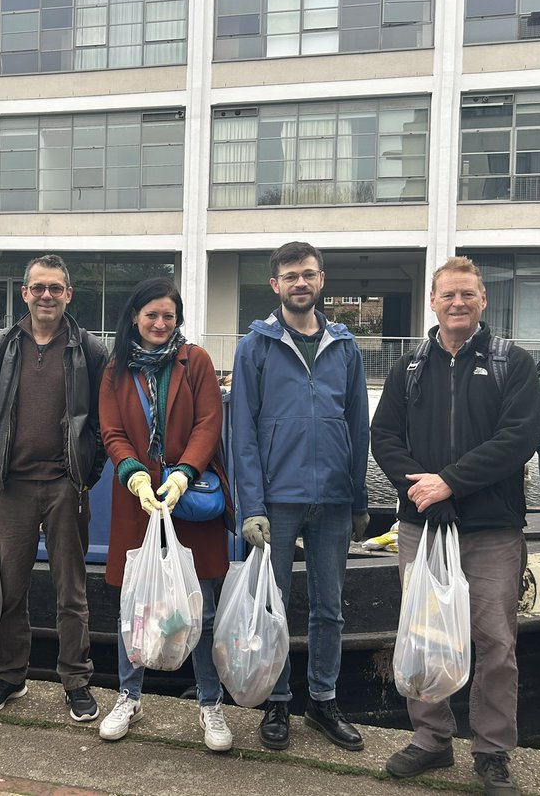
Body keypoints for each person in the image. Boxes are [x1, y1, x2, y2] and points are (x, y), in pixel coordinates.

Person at [371, 256, 540, 796]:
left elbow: (517, 440)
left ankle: (491, 752)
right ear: (433, 302)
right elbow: (385, 437)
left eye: (468, 294)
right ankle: (431, 738)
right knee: (422, 633)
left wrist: (450, 484)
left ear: (483, 299)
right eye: (449, 295)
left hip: (491, 528)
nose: (458, 303)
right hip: (423, 526)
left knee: (495, 642)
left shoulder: (512, 362)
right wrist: (421, 491)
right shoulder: (410, 366)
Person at [230, 241, 370, 753]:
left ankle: (323, 700)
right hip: (278, 500)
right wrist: (252, 507)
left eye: (308, 274)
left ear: (322, 280)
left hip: (333, 499)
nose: (300, 283)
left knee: (330, 608)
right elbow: (241, 432)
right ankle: (277, 700)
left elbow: (358, 426)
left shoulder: (345, 346)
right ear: (275, 285)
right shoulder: (255, 347)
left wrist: (358, 500)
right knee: (273, 606)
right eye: (290, 276)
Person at [96, 278, 234, 751]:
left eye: (168, 316)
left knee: (205, 609)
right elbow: (111, 431)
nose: (160, 323)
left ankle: (210, 704)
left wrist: (183, 475)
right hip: (138, 505)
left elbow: (208, 424)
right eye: (151, 315)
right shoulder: (116, 369)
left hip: (189, 501)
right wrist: (133, 474)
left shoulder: (194, 361)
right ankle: (128, 697)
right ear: (135, 316)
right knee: (134, 607)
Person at [0, 254, 108, 722]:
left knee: (72, 591)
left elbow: (105, 424)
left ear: (68, 294)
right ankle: (11, 674)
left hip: (67, 485)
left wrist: (88, 473)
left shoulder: (89, 349)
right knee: (11, 588)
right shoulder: (3, 347)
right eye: (37, 287)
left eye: (55, 288)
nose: (46, 295)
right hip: (13, 488)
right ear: (24, 293)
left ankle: (76, 680)